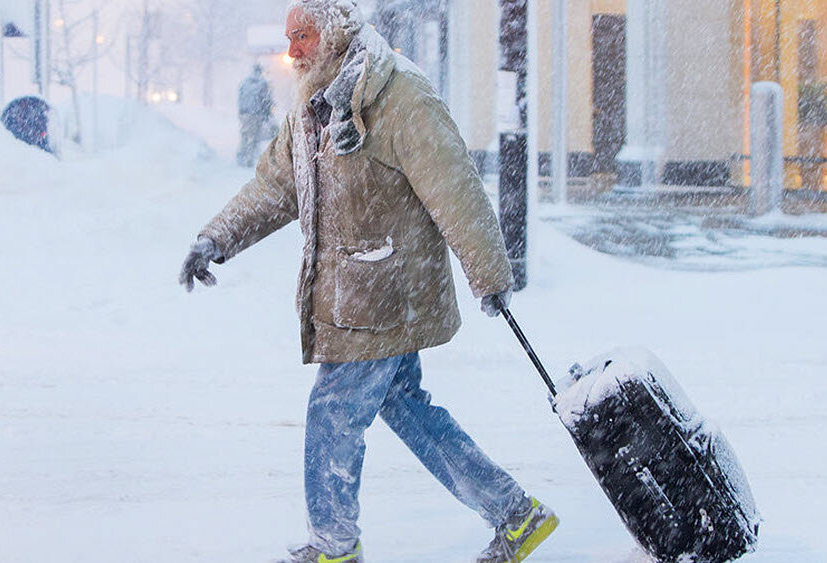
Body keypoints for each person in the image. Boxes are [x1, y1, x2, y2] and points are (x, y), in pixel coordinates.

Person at [179, 1, 558, 561]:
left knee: (332, 415)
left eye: (302, 36)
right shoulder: (311, 106)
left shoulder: (398, 93)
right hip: (352, 295)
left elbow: (453, 183)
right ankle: (516, 514)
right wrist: (216, 239)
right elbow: (275, 187)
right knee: (408, 407)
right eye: (290, 38)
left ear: (334, 33)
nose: (293, 51)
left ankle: (333, 545)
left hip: (384, 294)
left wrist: (488, 271)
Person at [237, 63, 275, 167]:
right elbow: (266, 101)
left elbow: (240, 97)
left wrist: (241, 112)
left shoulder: (245, 82)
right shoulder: (262, 83)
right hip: (256, 114)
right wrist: (267, 115)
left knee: (244, 134)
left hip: (244, 114)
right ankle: (249, 158)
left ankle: (241, 155)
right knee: (253, 137)